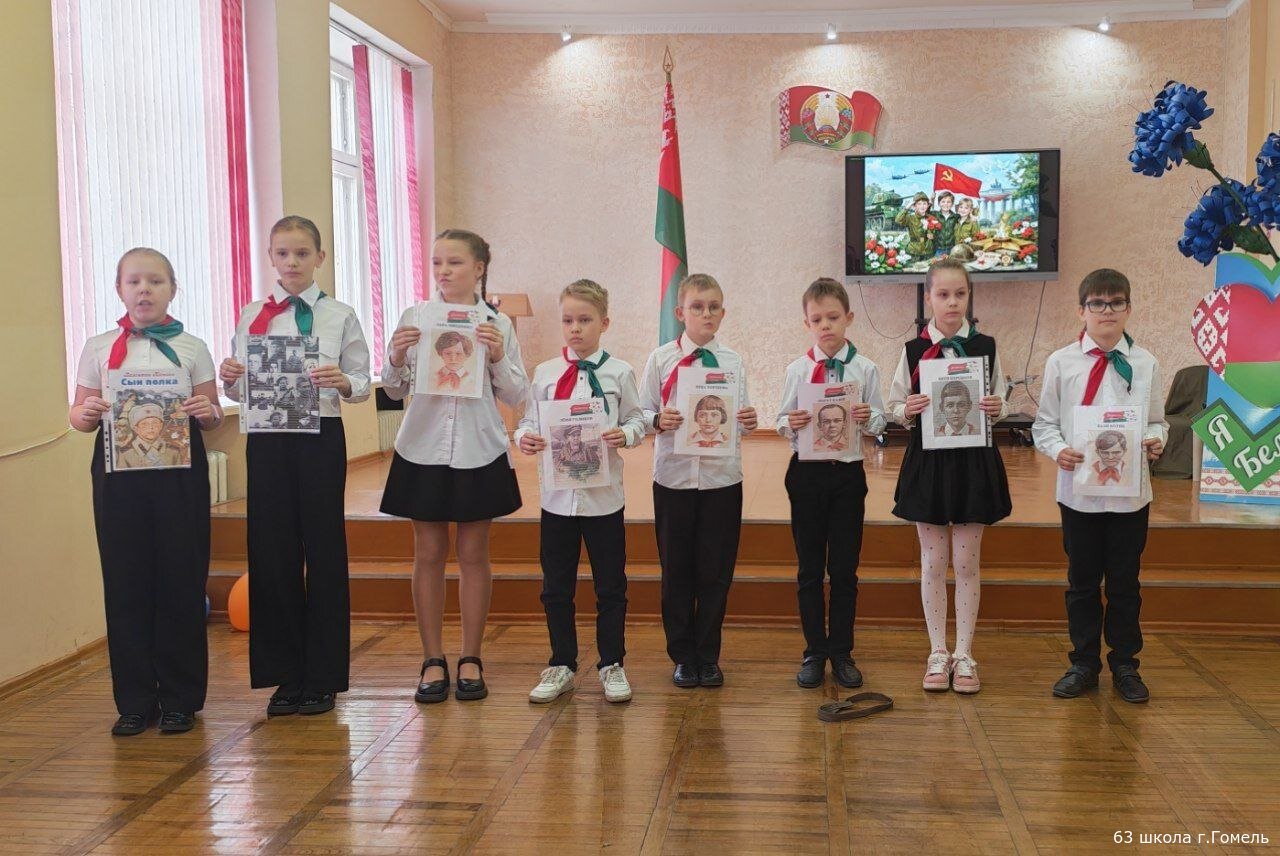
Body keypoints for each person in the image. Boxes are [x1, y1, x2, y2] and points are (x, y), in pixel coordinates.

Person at [219, 215, 372, 718]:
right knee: (272, 551)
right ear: (270, 257)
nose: (292, 262)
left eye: (302, 253)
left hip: (320, 437)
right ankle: (285, 675)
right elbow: (239, 389)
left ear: (319, 258)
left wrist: (342, 381)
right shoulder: (252, 314)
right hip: (267, 440)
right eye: (282, 253)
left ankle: (323, 677)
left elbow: (362, 382)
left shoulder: (340, 315)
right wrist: (230, 377)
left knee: (324, 550)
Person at [70, 247, 221, 735]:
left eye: (155, 281)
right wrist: (85, 414)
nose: (144, 290)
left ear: (172, 289)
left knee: (181, 579)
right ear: (120, 289)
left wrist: (207, 412)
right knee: (126, 582)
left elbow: (214, 416)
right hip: (119, 478)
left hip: (179, 475)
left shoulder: (192, 347)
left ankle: (180, 699)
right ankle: (134, 701)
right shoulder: (99, 347)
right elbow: (79, 415)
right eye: (134, 281)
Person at [381, 229, 528, 703]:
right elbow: (393, 389)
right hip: (422, 447)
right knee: (427, 552)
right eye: (437, 262)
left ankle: (470, 656)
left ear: (479, 268)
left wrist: (498, 355)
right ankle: (431, 658)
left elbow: (517, 395)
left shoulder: (497, 324)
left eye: (455, 262)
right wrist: (396, 355)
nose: (443, 271)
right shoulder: (415, 316)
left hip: (477, 447)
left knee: (473, 553)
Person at [1032, 268, 1166, 704]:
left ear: (1128, 308)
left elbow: (1158, 421)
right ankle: (1083, 663)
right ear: (1082, 310)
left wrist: (1156, 440)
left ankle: (1125, 664)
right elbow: (1044, 424)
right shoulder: (1061, 362)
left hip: (1130, 498)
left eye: (1115, 303)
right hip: (1079, 495)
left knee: (1125, 584)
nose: (1107, 311)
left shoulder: (1145, 362)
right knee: (1082, 583)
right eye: (1097, 303)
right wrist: (1059, 450)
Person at [516, 279, 646, 704]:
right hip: (557, 501)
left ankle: (612, 663)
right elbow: (528, 422)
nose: (575, 328)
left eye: (585, 320)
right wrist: (524, 438)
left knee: (611, 586)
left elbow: (638, 418)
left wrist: (626, 433)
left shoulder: (620, 372)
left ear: (604, 323)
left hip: (604, 499)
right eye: (568, 320)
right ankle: (562, 663)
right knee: (556, 587)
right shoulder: (546, 374)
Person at [888, 258, 1011, 694]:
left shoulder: (987, 346)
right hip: (929, 464)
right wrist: (908, 409)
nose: (952, 302)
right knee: (933, 562)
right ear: (929, 299)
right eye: (943, 294)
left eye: (960, 294)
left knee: (967, 562)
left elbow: (1001, 399)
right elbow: (895, 407)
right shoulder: (912, 351)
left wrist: (997, 407)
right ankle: (937, 652)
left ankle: (965, 654)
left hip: (974, 464)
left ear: (969, 296)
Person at [640, 273, 758, 689]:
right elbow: (640, 414)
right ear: (680, 312)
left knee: (715, 571)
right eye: (697, 307)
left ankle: (708, 656)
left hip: (721, 481)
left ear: (723, 313)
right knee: (676, 572)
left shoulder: (733, 362)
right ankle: (682, 656)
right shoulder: (661, 360)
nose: (706, 314)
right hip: (673, 479)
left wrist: (748, 420)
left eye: (713, 307)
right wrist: (658, 419)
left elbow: (740, 419)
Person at [777, 277, 885, 689]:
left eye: (833, 317)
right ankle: (813, 652)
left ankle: (841, 651)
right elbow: (781, 419)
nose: (826, 325)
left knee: (844, 569)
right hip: (806, 475)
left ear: (849, 318)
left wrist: (869, 418)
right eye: (817, 319)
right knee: (809, 569)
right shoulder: (798, 369)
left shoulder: (865, 368)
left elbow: (880, 423)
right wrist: (791, 422)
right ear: (807, 323)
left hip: (847, 476)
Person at [116, 402, 183, 469]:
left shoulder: (174, 451)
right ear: (135, 428)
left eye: (155, 423)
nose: (151, 427)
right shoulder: (125, 454)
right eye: (144, 424)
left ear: (161, 426)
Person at [894, 192, 936, 260]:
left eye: (924, 204)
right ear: (914, 206)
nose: (922, 206)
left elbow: (936, 230)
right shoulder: (910, 218)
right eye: (919, 204)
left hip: (928, 251)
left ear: (927, 205)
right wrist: (906, 208)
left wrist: (933, 235)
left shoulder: (930, 217)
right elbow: (898, 220)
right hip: (914, 251)